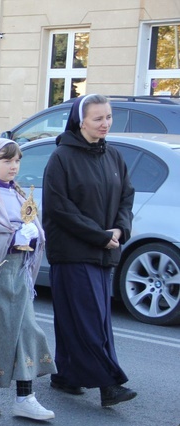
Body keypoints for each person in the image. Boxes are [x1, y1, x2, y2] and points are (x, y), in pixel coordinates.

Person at [42, 94, 137, 407]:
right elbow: (59, 208)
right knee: (90, 320)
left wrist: (120, 230)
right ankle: (109, 384)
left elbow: (126, 197)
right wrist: (98, 235)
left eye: (108, 117)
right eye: (98, 118)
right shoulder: (62, 158)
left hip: (103, 250)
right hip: (73, 251)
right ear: (80, 120)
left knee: (80, 318)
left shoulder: (113, 157)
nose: (105, 124)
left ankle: (66, 374)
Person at [0, 138, 56, 420]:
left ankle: (25, 396)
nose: (13, 166)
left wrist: (32, 234)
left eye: (17, 161)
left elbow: (35, 230)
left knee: (26, 330)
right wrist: (12, 236)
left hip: (18, 275)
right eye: (6, 160)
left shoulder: (19, 194)